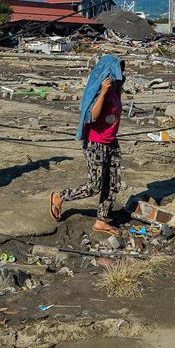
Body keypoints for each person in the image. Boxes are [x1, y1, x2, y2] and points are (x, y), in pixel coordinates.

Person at [50, 55, 125, 235]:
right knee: (95, 185)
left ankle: (102, 219)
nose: (122, 73)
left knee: (112, 183)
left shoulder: (116, 89)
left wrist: (116, 89)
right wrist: (103, 92)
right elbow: (93, 116)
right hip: (96, 143)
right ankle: (60, 196)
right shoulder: (99, 91)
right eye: (119, 69)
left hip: (111, 142)